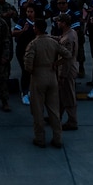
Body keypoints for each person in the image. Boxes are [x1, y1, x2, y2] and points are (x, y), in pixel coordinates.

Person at [23, 20, 65, 148]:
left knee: (37, 110)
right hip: (52, 77)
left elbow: (28, 65)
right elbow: (68, 55)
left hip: (38, 77)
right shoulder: (53, 42)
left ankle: (40, 138)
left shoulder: (33, 44)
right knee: (54, 110)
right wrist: (55, 64)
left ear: (36, 29)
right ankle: (57, 138)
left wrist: (33, 70)